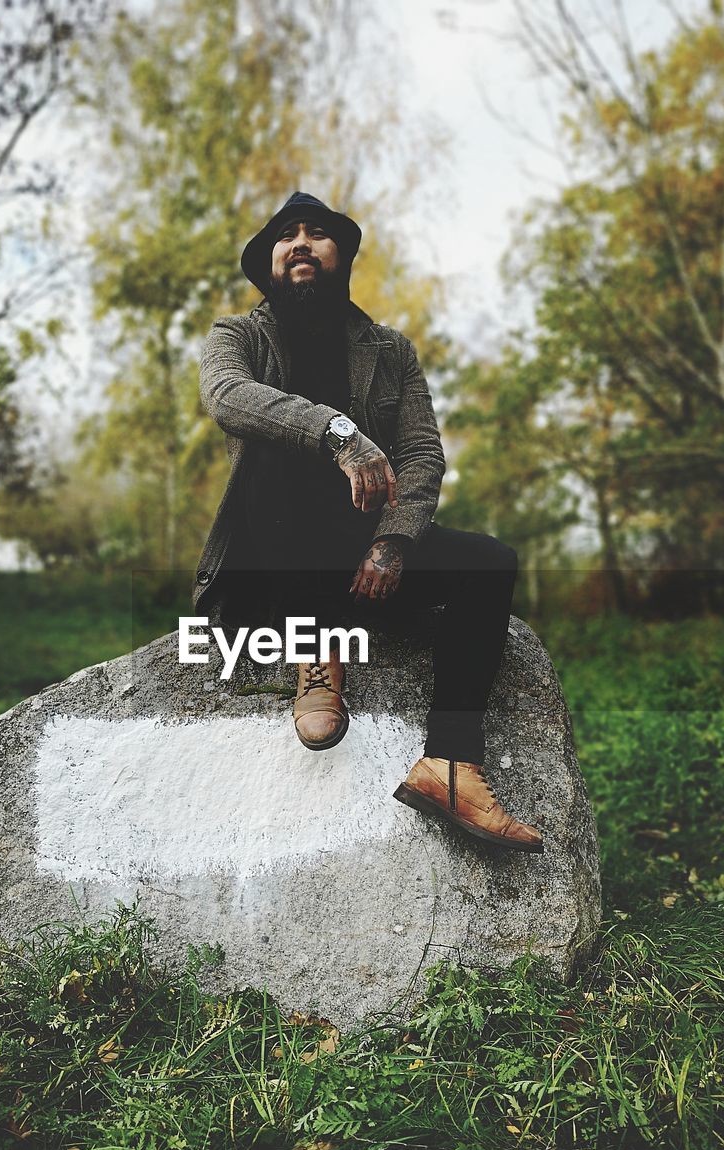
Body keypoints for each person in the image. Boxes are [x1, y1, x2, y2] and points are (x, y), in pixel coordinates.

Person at [194, 192, 542, 851]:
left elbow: (420, 452)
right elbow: (226, 398)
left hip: (360, 559)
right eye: (286, 235)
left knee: (488, 563)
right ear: (268, 262)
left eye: (317, 234)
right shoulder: (236, 336)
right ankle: (314, 650)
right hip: (270, 567)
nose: (301, 243)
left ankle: (450, 764)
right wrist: (335, 431)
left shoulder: (390, 350)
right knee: (275, 443)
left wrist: (392, 541)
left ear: (342, 256)